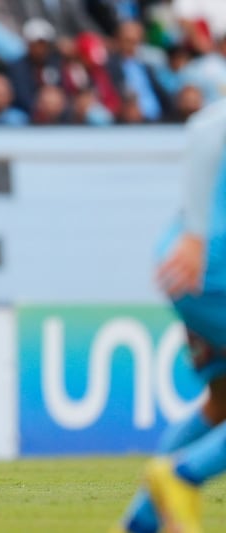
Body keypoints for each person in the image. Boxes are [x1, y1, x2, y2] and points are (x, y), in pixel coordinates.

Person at [113, 96, 226, 533]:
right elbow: (205, 130)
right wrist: (196, 237)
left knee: (220, 405)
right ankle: (184, 476)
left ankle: (139, 524)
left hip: (192, 263)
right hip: (208, 265)